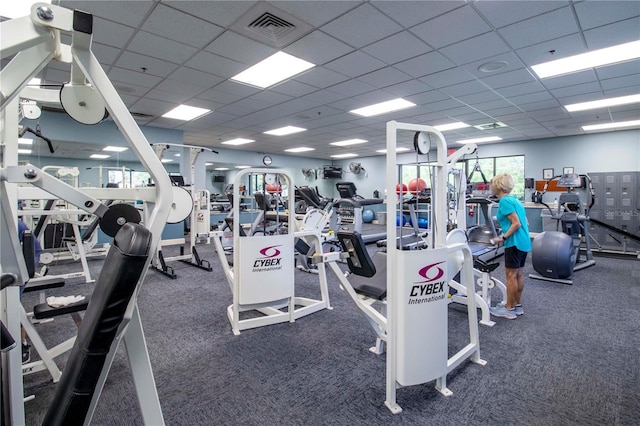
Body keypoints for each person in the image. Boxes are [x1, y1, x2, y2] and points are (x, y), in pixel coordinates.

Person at [488, 174, 531, 320]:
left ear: (498, 186)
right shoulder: (515, 200)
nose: (491, 187)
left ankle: (509, 309)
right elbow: (525, 222)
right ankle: (516, 305)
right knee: (518, 274)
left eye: (492, 184)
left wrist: (503, 237)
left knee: (511, 275)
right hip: (524, 241)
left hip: (514, 242)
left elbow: (516, 223)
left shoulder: (505, 201)